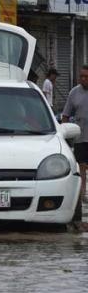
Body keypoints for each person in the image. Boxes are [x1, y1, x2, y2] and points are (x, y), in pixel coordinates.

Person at [62, 65, 88, 206]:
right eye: (81, 76)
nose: (83, 79)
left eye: (86, 77)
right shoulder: (74, 93)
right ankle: (82, 193)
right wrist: (65, 135)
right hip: (80, 137)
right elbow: (66, 115)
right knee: (81, 166)